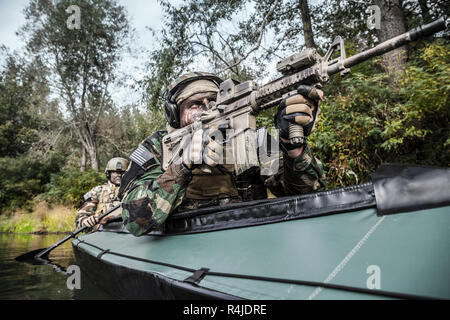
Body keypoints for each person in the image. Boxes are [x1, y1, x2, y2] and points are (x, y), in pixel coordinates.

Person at [119, 72, 326, 237]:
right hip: (183, 252)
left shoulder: (253, 140)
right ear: (176, 114)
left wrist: (292, 146)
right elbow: (135, 221)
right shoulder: (158, 147)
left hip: (251, 242)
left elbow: (306, 198)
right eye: (196, 104)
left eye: (214, 101)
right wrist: (182, 167)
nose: (208, 108)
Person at [75, 157, 129, 230]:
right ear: (108, 174)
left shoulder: (135, 191)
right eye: (115, 172)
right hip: (101, 232)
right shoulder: (97, 191)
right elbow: (80, 217)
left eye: (122, 172)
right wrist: (85, 220)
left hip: (127, 233)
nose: (119, 175)